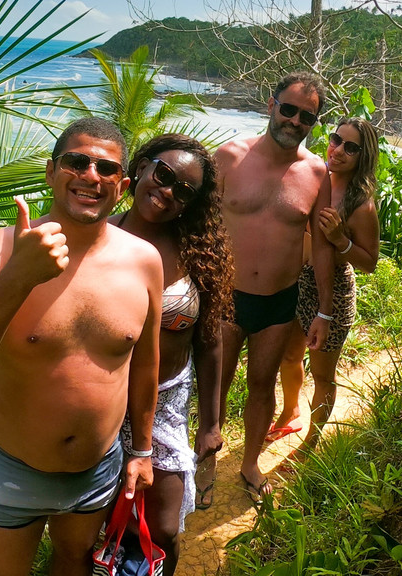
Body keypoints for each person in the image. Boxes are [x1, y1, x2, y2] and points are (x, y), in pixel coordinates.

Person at [0, 117, 163, 576]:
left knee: (73, 562)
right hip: (14, 468)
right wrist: (19, 275)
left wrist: (142, 451)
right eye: (76, 162)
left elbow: (144, 365)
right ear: (50, 171)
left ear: (121, 186)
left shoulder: (144, 261)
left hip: (98, 469)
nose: (90, 176)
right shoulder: (3, 248)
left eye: (106, 169)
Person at [111, 133, 234, 575]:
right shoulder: (99, 235)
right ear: (142, 166)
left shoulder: (194, 253)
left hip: (166, 401)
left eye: (183, 191)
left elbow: (210, 341)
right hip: (106, 399)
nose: (166, 192)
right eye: (163, 175)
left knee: (162, 528)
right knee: (108, 522)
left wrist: (211, 423)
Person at [215, 72, 336, 500]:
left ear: (313, 123)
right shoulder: (229, 157)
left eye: (307, 116)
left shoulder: (317, 172)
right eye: (288, 109)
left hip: (279, 302)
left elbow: (321, 248)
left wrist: (323, 310)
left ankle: (249, 464)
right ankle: (204, 466)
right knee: (216, 386)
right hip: (225, 299)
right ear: (271, 105)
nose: (295, 120)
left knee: (262, 386)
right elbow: (198, 227)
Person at [271, 117, 380, 455]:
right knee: (289, 357)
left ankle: (309, 446)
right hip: (295, 281)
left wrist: (338, 240)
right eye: (337, 139)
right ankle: (290, 412)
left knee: (322, 375)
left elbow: (369, 263)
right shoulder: (315, 179)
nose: (340, 150)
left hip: (331, 292)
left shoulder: (361, 205)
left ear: (364, 156)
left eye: (352, 147)